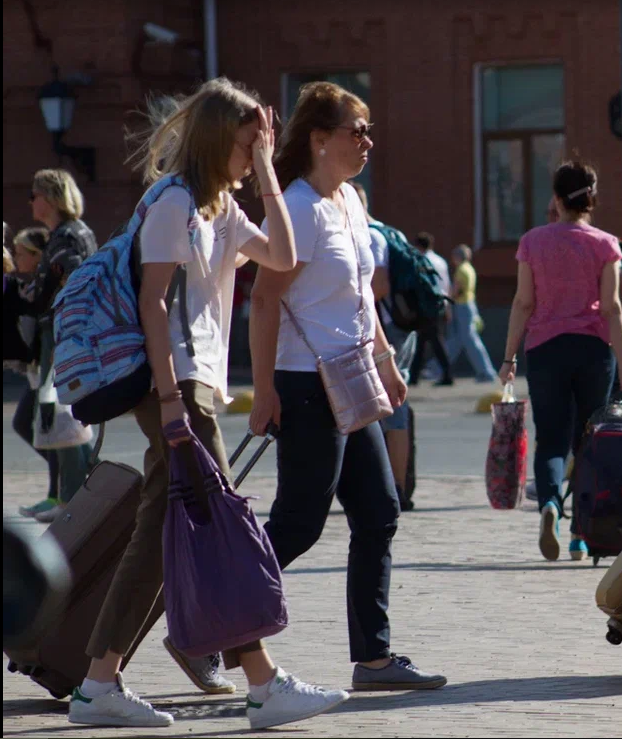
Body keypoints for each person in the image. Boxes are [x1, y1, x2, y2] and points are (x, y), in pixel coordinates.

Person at [71, 78, 349, 730]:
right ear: (219, 138)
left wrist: (267, 171)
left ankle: (97, 684)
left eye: (259, 144)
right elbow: (152, 305)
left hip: (192, 386)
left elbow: (283, 255)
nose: (254, 154)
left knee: (159, 537)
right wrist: (170, 400)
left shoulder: (218, 208)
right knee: (220, 524)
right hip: (173, 384)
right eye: (248, 144)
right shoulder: (173, 202)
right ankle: (262, 683)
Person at [248, 80, 446, 692]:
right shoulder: (299, 208)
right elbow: (263, 300)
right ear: (318, 138)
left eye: (368, 131)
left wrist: (386, 360)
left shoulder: (351, 201)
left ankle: (374, 660)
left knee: (380, 512)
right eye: (355, 131)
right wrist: (263, 390)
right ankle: (210, 625)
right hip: (305, 384)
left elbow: (361, 295)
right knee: (299, 524)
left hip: (353, 379)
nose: (367, 142)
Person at [500, 160, 622, 562]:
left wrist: (508, 357)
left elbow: (523, 303)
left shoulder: (532, 242)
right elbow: (612, 308)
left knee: (551, 440)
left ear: (557, 199)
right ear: (591, 199)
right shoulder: (605, 245)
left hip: (545, 350)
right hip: (594, 352)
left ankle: (549, 503)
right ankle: (581, 533)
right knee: (589, 441)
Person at [23, 170, 100, 523]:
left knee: (62, 414)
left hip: (64, 334)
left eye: (35, 195)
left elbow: (75, 284)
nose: (30, 202)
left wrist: (64, 335)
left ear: (51, 198)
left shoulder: (68, 236)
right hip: (64, 333)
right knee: (62, 416)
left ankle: (72, 498)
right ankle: (80, 492)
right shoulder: (67, 234)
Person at [350, 180, 417, 512]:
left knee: (391, 406)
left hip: (386, 331)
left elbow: (378, 287)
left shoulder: (371, 236)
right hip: (401, 327)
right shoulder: (392, 233)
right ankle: (393, 485)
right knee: (390, 404)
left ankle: (395, 488)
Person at [8, 228, 63, 519]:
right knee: (27, 426)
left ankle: (58, 492)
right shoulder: (27, 287)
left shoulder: (41, 290)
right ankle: (70, 474)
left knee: (49, 431)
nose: (16, 258)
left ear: (36, 255)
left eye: (20, 253)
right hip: (35, 370)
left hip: (47, 369)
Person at [445, 244, 497, 383]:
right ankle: (439, 368)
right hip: (469, 305)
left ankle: (486, 372)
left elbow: (455, 290)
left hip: (462, 306)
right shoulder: (469, 268)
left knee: (469, 340)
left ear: (457, 257)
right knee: (457, 340)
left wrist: (448, 305)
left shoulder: (461, 270)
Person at [409, 231, 454, 386]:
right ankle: (414, 375)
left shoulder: (422, 260)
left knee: (434, 341)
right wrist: (448, 307)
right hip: (441, 303)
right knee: (424, 340)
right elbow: (447, 284)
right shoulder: (441, 261)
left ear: (418, 246)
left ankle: (447, 374)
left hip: (428, 305)